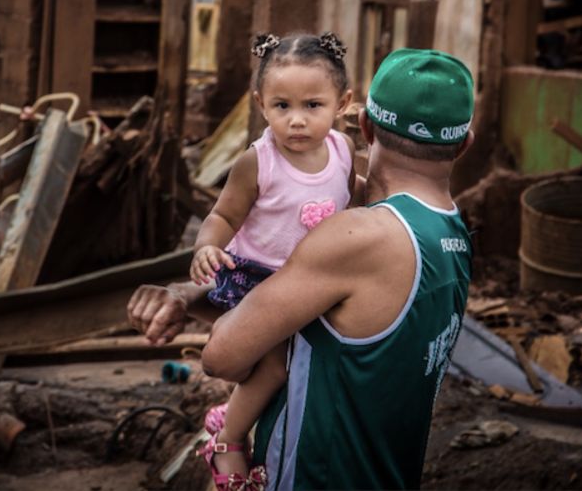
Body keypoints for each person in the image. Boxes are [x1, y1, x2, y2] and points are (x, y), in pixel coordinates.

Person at [128, 48, 475, 489]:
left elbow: (222, 356)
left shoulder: (355, 239)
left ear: (363, 125)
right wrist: (186, 296)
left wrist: (201, 297)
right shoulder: (453, 234)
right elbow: (304, 316)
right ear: (465, 144)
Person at [189, 31, 357, 490]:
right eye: (282, 106)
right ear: (261, 103)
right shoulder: (257, 162)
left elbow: (352, 205)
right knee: (278, 366)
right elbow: (223, 214)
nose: (297, 121)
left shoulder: (343, 152)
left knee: (308, 362)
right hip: (256, 281)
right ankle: (228, 438)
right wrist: (208, 245)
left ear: (342, 103)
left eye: (312, 106)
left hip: (311, 281)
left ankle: (245, 415)